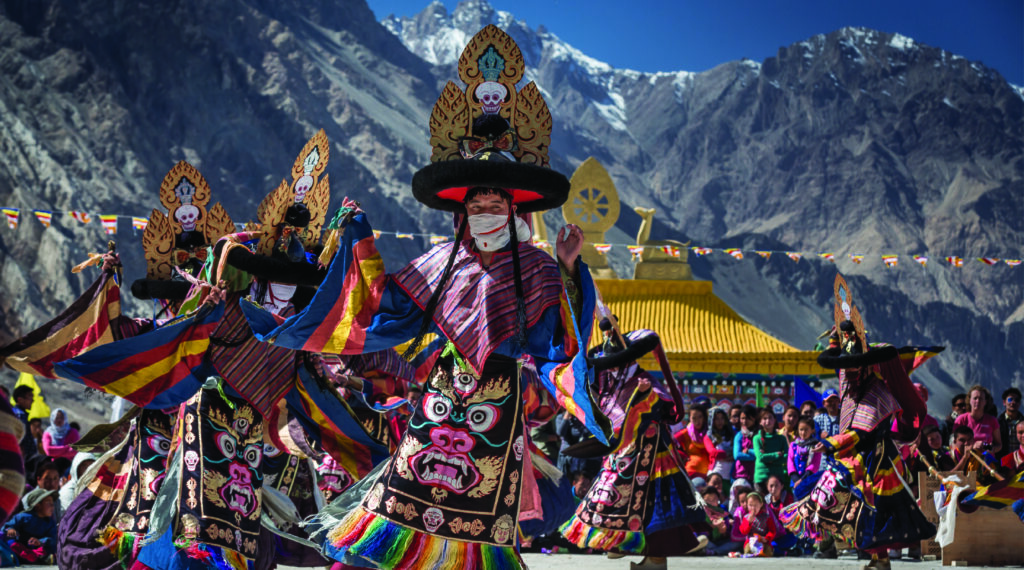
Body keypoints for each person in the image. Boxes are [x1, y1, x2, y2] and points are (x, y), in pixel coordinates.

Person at [261, 27, 607, 569]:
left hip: (498, 405)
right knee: (400, 501)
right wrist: (361, 241)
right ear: (461, 208)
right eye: (478, 198)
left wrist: (567, 268)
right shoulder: (439, 262)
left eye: (497, 197)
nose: (487, 205)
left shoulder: (538, 267)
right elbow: (384, 311)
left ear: (514, 206)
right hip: (439, 400)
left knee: (481, 520)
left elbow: (552, 345)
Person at [780, 275, 936, 570]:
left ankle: (881, 560)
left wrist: (827, 443)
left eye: (852, 368)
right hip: (855, 460)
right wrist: (839, 336)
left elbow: (861, 432)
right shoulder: (849, 383)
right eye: (844, 369)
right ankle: (876, 560)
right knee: (843, 506)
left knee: (877, 512)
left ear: (863, 367)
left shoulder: (877, 390)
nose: (847, 373)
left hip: (878, 462)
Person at [561, 329, 706, 569]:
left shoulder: (642, 379)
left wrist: (644, 398)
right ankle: (619, 543)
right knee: (611, 498)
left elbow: (665, 408)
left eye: (615, 363)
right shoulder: (609, 382)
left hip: (652, 457)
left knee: (656, 505)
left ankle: (655, 558)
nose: (611, 368)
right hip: (623, 455)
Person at [3, 488, 57, 564]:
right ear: (38, 506)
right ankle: (16, 557)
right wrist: (11, 529)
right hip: (21, 548)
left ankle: (41, 558)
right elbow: (5, 527)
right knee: (12, 544)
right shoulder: (22, 517)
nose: (52, 506)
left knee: (49, 548)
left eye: (52, 503)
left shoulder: (50, 523)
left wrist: (40, 542)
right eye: (48, 502)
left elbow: (53, 538)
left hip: (37, 549)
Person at [954, 384, 1002, 455]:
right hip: (966, 461)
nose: (977, 401)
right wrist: (973, 446)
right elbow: (953, 443)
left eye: (981, 398)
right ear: (969, 400)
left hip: (986, 462)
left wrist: (988, 447)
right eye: (975, 398)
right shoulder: (961, 420)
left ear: (985, 402)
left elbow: (999, 445)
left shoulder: (992, 420)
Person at [753, 409, 788, 494]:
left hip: (777, 478)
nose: (767, 421)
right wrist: (776, 455)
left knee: (777, 505)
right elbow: (760, 457)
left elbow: (786, 457)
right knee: (761, 505)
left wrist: (767, 458)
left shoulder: (781, 439)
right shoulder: (757, 438)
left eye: (770, 418)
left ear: (774, 420)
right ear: (760, 422)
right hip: (761, 477)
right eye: (764, 418)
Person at [731, 492, 776, 558]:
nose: (753, 508)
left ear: (761, 504)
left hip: (763, 542)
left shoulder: (767, 517)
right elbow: (743, 531)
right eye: (750, 505)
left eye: (755, 505)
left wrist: (766, 538)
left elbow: (772, 531)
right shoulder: (746, 517)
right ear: (747, 505)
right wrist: (749, 522)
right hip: (750, 542)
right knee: (748, 550)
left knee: (768, 552)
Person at [674, 403, 712, 478]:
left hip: (709, 474)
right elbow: (670, 443)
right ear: (690, 419)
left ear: (704, 418)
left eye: (700, 417)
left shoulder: (711, 433)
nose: (697, 421)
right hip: (691, 472)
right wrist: (682, 455)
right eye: (694, 418)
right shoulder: (686, 433)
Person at [788, 417, 823, 491]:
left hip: (809, 482)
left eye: (806, 429)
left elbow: (814, 465)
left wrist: (802, 480)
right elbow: (790, 463)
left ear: (812, 430)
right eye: (801, 429)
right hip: (795, 483)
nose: (803, 433)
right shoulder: (793, 445)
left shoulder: (816, 446)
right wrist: (796, 480)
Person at [706, 408, 734, 488]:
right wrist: (729, 454)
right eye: (717, 419)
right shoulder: (709, 436)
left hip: (730, 475)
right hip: (716, 474)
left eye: (722, 418)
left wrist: (733, 455)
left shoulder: (732, 434)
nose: (720, 421)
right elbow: (712, 452)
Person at [733, 405, 759, 484]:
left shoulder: (760, 434)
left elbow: (763, 453)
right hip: (741, 475)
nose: (744, 421)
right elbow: (737, 455)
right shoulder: (739, 435)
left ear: (754, 418)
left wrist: (748, 451)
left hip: (757, 474)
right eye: (742, 418)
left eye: (747, 418)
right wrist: (756, 456)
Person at [10, 386, 36, 460]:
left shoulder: (18, 414)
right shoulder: (20, 415)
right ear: (20, 400)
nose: (32, 400)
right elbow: (20, 439)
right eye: (30, 397)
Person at [998, 387, 1022, 460]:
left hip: (1021, 463)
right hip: (1003, 463)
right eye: (1010, 399)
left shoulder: (1023, 422)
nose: (1013, 402)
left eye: (1016, 400)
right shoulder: (998, 423)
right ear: (1004, 402)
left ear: (1020, 403)